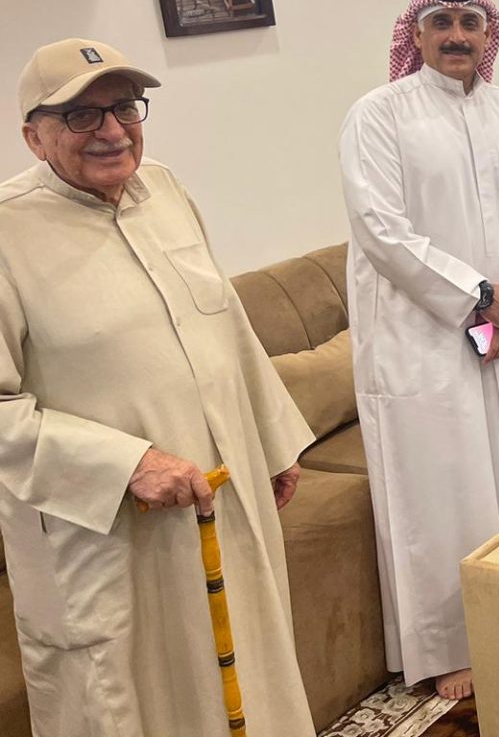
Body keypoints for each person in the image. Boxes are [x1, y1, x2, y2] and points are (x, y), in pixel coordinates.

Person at [0, 38, 314, 737]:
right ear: (34, 136)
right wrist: (126, 464)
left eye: (123, 107)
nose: (112, 131)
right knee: (139, 702)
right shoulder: (6, 231)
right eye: (81, 115)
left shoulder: (164, 190)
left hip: (222, 501)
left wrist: (272, 444)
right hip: (108, 537)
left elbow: (226, 324)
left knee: (252, 674)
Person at [340, 0, 499, 701]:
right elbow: (381, 230)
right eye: (442, 23)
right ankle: (446, 648)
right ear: (417, 34)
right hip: (421, 337)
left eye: (471, 23)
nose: (458, 35)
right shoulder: (379, 114)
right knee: (440, 489)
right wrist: (479, 300)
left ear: (488, 36)